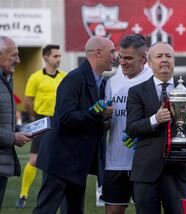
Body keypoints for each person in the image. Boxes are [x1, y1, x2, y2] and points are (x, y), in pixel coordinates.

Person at [33, 36, 115, 214]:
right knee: (46, 210)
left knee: (74, 210)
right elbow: (65, 118)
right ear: (98, 53)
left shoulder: (101, 82)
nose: (115, 56)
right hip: (60, 159)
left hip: (78, 162)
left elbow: (93, 121)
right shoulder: (75, 79)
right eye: (112, 52)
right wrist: (98, 115)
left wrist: (107, 120)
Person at [126, 42, 186, 214]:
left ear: (174, 60)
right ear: (149, 61)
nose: (164, 60)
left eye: (168, 56)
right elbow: (131, 128)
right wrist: (155, 119)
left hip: (179, 169)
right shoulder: (136, 91)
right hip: (146, 171)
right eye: (159, 56)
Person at [101, 34, 152, 214]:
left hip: (144, 161)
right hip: (116, 161)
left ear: (144, 58)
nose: (123, 62)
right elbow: (107, 123)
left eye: (129, 58)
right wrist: (102, 117)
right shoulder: (112, 82)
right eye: (121, 57)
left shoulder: (152, 80)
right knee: (113, 211)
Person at [16, 44, 66, 208]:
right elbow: (28, 101)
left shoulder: (64, 77)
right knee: (34, 160)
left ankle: (58, 194)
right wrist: (36, 118)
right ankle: (23, 195)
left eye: (59, 56)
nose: (58, 59)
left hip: (59, 122)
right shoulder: (35, 77)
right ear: (45, 57)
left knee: (58, 160)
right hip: (41, 121)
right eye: (55, 56)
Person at [0, 36, 30, 209]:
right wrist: (13, 137)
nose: (18, 60)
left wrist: (20, 130)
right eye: (14, 55)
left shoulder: (6, 79)